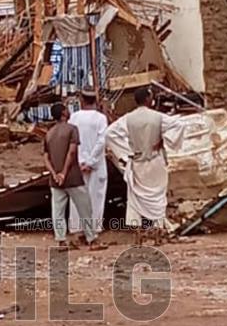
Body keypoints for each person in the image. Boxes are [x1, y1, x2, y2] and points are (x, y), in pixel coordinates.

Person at [105, 86, 186, 233]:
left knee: (136, 197)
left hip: (137, 161)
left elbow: (109, 133)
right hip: (155, 161)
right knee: (158, 196)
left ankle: (137, 230)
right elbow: (179, 125)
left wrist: (125, 153)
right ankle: (158, 228)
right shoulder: (158, 117)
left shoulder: (128, 118)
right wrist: (164, 140)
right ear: (148, 99)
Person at [43, 103, 97, 247]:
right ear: (63, 113)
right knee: (85, 208)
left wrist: (55, 174)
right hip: (73, 178)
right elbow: (72, 152)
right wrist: (64, 173)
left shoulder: (49, 133)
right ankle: (91, 239)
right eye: (66, 109)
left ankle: (61, 240)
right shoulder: (72, 129)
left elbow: (46, 158)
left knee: (58, 211)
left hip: (55, 181)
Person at [68, 89, 108, 235]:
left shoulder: (74, 118)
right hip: (96, 165)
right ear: (96, 101)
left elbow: (71, 142)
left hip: (78, 163)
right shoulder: (101, 118)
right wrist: (90, 162)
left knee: (77, 197)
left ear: (81, 100)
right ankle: (94, 228)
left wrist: (80, 161)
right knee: (96, 196)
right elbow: (101, 142)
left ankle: (77, 227)